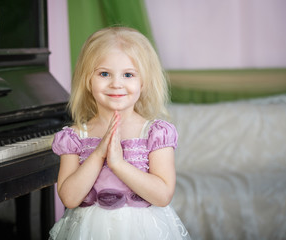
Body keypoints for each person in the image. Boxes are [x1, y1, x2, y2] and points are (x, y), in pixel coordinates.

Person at [49, 26, 190, 240]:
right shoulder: (74, 137)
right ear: (88, 80)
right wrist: (98, 154)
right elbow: (69, 198)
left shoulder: (155, 133)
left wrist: (118, 164)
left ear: (143, 82)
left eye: (128, 75)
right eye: (104, 74)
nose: (116, 84)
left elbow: (162, 196)